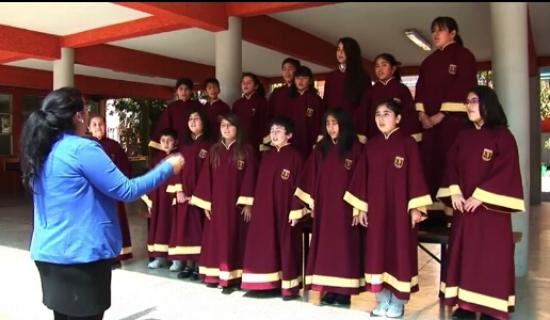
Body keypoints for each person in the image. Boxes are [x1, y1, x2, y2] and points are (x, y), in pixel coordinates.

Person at [21, 87, 183, 320]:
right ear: (78, 116)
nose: (88, 115)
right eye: (86, 109)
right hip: (82, 258)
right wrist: (168, 166)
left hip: (48, 255)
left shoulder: (40, 149)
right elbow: (126, 190)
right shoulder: (82, 148)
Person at [436, 86, 525, 320]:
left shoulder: (503, 136)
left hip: (490, 216)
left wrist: (481, 195)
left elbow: (507, 171)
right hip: (464, 213)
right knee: (465, 259)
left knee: (490, 262)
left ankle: (491, 311)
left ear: (488, 103)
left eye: (474, 101)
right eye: (466, 101)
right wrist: (454, 191)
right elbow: (451, 165)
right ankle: (465, 307)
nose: (468, 105)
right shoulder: (463, 136)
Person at [344, 99, 432, 318]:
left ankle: (398, 303)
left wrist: (416, 208)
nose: (381, 119)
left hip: (400, 214)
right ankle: (381, 300)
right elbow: (361, 179)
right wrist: (360, 209)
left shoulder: (408, 144)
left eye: (386, 114)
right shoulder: (371, 146)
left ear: (398, 118)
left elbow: (416, 177)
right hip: (376, 213)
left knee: (400, 253)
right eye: (378, 115)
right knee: (376, 253)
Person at [294, 108, 364, 306]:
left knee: (344, 249)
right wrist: (312, 203)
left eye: (335, 123)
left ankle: (344, 292)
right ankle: (329, 290)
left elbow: (362, 179)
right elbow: (310, 177)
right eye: (328, 124)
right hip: (325, 209)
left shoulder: (356, 148)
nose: (331, 128)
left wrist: (358, 208)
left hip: (346, 210)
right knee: (325, 248)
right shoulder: (321, 149)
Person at [190, 113, 258, 294]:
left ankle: (234, 277)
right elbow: (206, 179)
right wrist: (206, 203)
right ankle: (215, 275)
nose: (226, 129)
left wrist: (248, 203)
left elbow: (251, 178)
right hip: (217, 206)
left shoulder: (247, 150)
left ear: (238, 128)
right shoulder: (214, 151)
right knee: (216, 240)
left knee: (236, 240)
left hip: (237, 207)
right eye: (223, 126)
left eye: (230, 126)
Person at [415, 16, 477, 203]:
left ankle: (453, 211)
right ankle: (433, 213)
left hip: (453, 124)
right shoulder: (428, 62)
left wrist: (442, 114)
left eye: (440, 30)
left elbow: (463, 87)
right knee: (429, 163)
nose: (435, 34)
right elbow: (421, 89)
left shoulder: (464, 56)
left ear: (452, 33)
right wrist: (422, 114)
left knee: (451, 163)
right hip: (429, 127)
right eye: (433, 30)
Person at [241, 116, 304, 300]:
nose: (274, 134)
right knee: (264, 246)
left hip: (285, 211)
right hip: (263, 211)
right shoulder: (265, 157)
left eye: (278, 131)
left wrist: (296, 209)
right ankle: (265, 284)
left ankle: (287, 287)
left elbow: (301, 186)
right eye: (272, 131)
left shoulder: (296, 157)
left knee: (285, 246)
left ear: (289, 135)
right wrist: (250, 204)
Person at [166, 107, 213, 280]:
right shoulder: (184, 147)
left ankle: (200, 265)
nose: (193, 122)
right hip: (183, 194)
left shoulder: (210, 146)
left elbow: (209, 173)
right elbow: (176, 169)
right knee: (185, 230)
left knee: (199, 230)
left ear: (204, 123)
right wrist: (178, 190)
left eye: (197, 118)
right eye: (190, 119)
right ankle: (189, 265)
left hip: (199, 197)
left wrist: (197, 197)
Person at [88, 115, 133, 268]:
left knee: (115, 222)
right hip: (93, 193)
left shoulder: (114, 146)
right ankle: (97, 256)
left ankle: (115, 256)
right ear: (89, 128)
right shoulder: (85, 146)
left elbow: (125, 168)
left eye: (100, 124)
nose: (98, 127)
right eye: (94, 124)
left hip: (113, 192)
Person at [360, 53, 421, 142]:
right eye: (377, 66)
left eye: (384, 65)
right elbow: (363, 115)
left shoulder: (402, 89)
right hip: (375, 138)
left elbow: (410, 115)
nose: (380, 69)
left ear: (393, 69)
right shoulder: (370, 91)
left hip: (399, 139)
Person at [143, 128, 181, 270]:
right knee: (160, 227)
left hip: (172, 198)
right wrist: (150, 200)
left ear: (175, 142)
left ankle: (177, 259)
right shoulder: (156, 159)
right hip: (159, 198)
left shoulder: (179, 157)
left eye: (169, 140)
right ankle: (160, 257)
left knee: (174, 227)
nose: (165, 144)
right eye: (163, 141)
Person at [323, 37, 371, 142]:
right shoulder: (331, 76)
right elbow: (326, 104)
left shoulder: (362, 76)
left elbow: (365, 106)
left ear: (352, 52)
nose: (340, 53)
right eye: (338, 49)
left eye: (344, 50)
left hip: (354, 131)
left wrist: (360, 130)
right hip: (333, 130)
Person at [148, 77, 203, 152]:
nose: (184, 91)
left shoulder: (197, 105)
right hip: (176, 144)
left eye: (187, 89)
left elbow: (203, 123)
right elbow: (165, 125)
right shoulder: (172, 107)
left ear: (191, 91)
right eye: (181, 89)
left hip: (195, 142)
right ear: (177, 91)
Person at [287, 65, 325, 159]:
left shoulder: (316, 100)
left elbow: (322, 122)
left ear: (310, 80)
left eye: (304, 78)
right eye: (297, 78)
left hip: (310, 142)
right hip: (291, 141)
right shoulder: (288, 99)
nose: (300, 81)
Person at [232, 72, 269, 153]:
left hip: (257, 144)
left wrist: (266, 149)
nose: (245, 85)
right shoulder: (237, 104)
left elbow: (267, 126)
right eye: (243, 82)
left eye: (249, 82)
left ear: (256, 86)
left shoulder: (262, 102)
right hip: (240, 144)